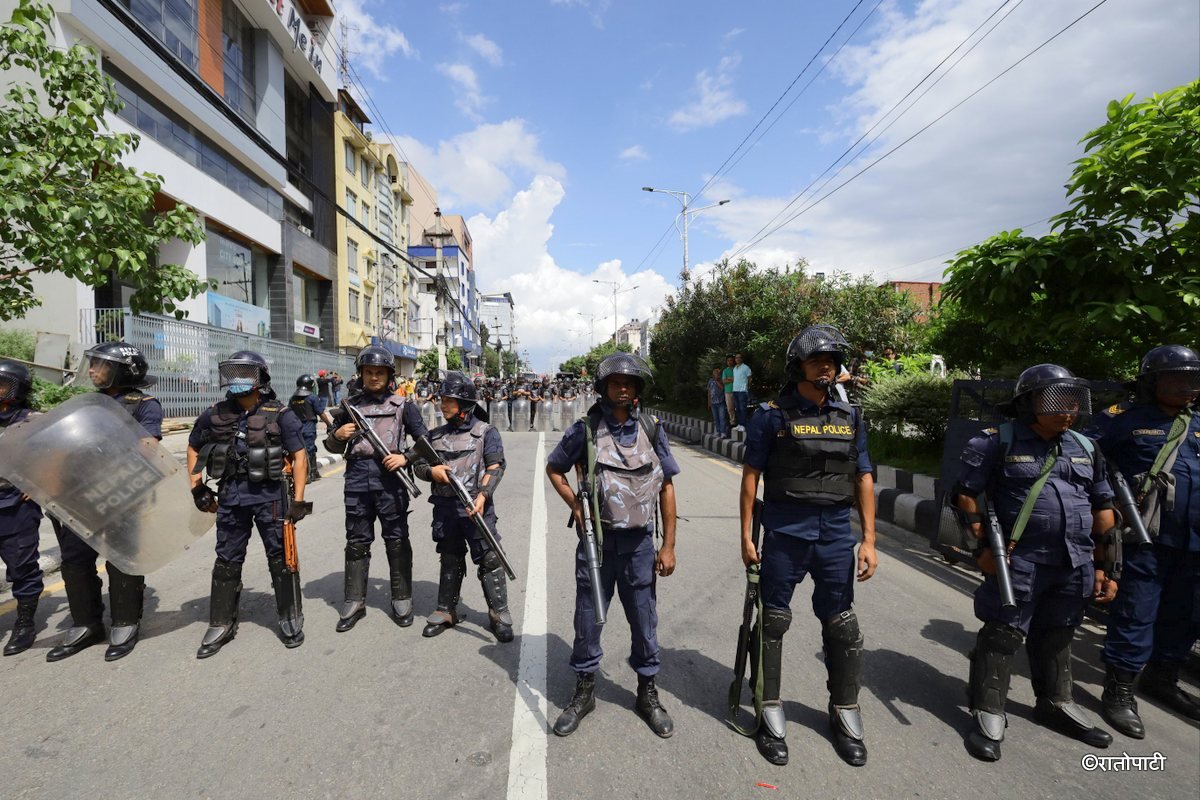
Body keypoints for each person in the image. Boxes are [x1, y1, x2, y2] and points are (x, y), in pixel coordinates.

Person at [954, 364, 1116, 761]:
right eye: (1058, 401)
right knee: (1003, 633)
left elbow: (1103, 508)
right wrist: (982, 549)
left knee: (1059, 633)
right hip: (1019, 560)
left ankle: (1055, 702)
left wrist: (1105, 566)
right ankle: (988, 707)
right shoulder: (994, 442)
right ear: (1029, 403)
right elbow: (965, 496)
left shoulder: (1085, 446)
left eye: (1073, 402)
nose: (1068, 410)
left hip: (1073, 562)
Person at [739, 326, 876, 766]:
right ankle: (768, 708)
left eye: (833, 361)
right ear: (798, 366)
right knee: (774, 621)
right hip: (785, 530)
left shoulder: (851, 417)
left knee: (842, 624)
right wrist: (745, 535)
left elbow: (864, 477)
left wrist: (870, 540)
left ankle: (844, 710)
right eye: (818, 360)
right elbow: (751, 476)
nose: (827, 367)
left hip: (837, 533)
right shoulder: (771, 415)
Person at [546, 353, 679, 739]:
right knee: (589, 617)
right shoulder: (585, 430)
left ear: (638, 388)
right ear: (603, 388)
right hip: (597, 546)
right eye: (616, 382)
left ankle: (647, 693)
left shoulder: (652, 430)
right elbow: (555, 468)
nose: (623, 388)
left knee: (644, 619)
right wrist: (575, 504)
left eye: (630, 382)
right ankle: (584, 690)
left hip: (639, 545)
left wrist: (668, 546)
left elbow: (667, 487)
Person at [1088, 344, 1200, 735]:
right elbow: (1084, 459)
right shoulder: (1121, 420)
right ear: (1152, 383)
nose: (1190, 386)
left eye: (1194, 378)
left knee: (1187, 614)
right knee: (1137, 611)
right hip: (1145, 538)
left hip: (1194, 541)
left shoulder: (1198, 421)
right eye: (1179, 378)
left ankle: (1162, 678)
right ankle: (1119, 691)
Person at [45, 342, 164, 663]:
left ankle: (125, 622)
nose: (93, 371)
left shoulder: (144, 405)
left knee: (121, 557)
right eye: (93, 365)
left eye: (101, 365)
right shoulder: (83, 405)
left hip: (120, 492)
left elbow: (148, 446)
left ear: (122, 371)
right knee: (74, 560)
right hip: (78, 493)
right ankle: (86, 623)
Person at [187, 350, 310, 658]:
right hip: (231, 497)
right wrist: (197, 488)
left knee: (282, 558)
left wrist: (297, 501)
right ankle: (221, 623)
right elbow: (193, 446)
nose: (236, 380)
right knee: (227, 558)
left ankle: (290, 617)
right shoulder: (215, 413)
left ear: (259, 379)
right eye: (232, 373)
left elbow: (299, 457)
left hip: (270, 497)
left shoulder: (279, 413)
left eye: (244, 374)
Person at [323, 346, 428, 632]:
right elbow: (330, 445)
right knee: (357, 540)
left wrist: (405, 457)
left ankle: (402, 596)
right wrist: (338, 434)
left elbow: (425, 442)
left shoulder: (403, 405)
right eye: (368, 372)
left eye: (379, 372)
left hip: (391, 479)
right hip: (357, 479)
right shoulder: (349, 406)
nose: (373, 377)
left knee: (396, 539)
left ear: (388, 375)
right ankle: (354, 600)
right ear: (361, 374)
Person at [409, 372, 513, 643]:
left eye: (449, 400)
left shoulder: (486, 432)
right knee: (450, 557)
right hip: (445, 508)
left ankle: (498, 613)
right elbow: (417, 464)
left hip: (475, 508)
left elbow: (496, 465)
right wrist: (433, 472)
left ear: (464, 403)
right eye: (442, 400)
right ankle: (446, 610)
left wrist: (484, 495)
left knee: (490, 558)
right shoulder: (435, 436)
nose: (443, 405)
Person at [0, 360, 44, 656]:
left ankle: (25, 621)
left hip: (14, 502)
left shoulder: (32, 421)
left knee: (21, 565)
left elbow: (58, 455)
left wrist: (40, 485)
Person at [289, 374, 332, 484]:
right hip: (309, 428)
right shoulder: (312, 397)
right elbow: (321, 413)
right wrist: (329, 424)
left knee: (308, 450)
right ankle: (306, 475)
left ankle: (314, 472)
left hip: (296, 428)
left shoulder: (293, 398)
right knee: (308, 451)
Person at [732, 352, 752, 432]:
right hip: (735, 390)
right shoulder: (734, 368)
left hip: (742, 390)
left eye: (739, 357)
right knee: (738, 409)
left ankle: (744, 425)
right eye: (736, 358)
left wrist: (747, 387)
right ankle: (739, 424)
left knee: (742, 408)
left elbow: (750, 378)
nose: (737, 359)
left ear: (742, 359)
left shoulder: (746, 367)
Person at [707, 367, 730, 437]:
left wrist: (717, 381)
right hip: (713, 402)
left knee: (722, 417)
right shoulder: (710, 381)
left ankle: (723, 432)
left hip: (720, 402)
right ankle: (718, 430)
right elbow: (709, 391)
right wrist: (709, 402)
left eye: (717, 373)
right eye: (715, 373)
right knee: (716, 418)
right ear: (713, 374)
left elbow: (722, 388)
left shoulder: (721, 380)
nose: (716, 374)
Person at [722, 355, 736, 429]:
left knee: (738, 407)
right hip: (728, 391)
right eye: (728, 360)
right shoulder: (725, 370)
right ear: (726, 362)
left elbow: (738, 379)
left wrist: (729, 378)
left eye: (731, 360)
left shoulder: (736, 369)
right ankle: (732, 422)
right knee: (730, 408)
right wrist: (732, 379)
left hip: (736, 390)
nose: (730, 362)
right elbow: (724, 381)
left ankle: (740, 422)